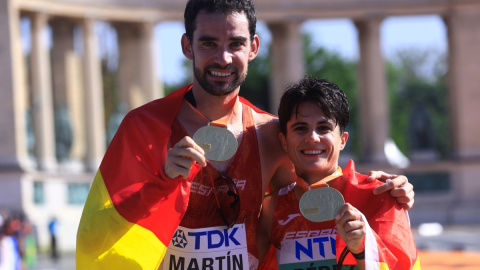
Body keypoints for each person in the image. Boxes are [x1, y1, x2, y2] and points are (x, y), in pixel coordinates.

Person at [76, 1, 415, 269]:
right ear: (186, 45)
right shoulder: (143, 128)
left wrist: (380, 189)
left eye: (235, 43)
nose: (223, 57)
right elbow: (102, 231)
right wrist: (162, 182)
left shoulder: (271, 134)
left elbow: (319, 191)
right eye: (209, 43)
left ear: (253, 47)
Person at [257, 77, 420, 270]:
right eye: (300, 128)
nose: (312, 138)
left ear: (343, 140)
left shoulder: (380, 195)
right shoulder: (271, 208)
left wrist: (362, 248)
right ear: (284, 141)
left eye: (324, 128)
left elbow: (404, 265)